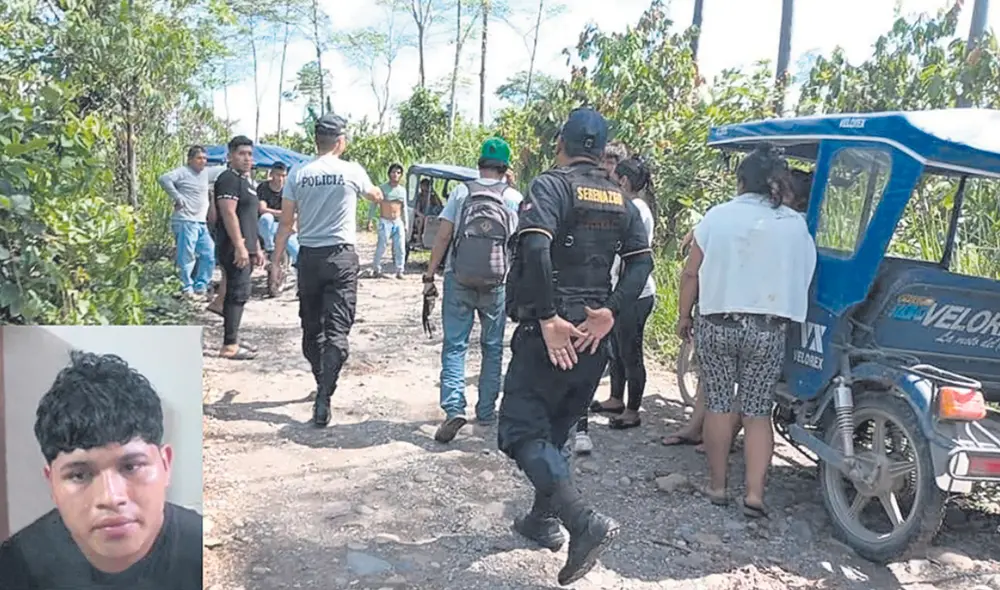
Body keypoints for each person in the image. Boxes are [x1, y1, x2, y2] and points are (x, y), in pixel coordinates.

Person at [499, 107, 653, 586]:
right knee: (558, 428)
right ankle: (542, 521)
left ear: (562, 143)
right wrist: (610, 312)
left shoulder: (552, 185)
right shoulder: (620, 199)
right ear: (601, 149)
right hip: (592, 335)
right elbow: (641, 264)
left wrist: (546, 317)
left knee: (521, 430)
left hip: (554, 329)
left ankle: (581, 522)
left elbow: (536, 249)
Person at [677, 144, 816, 517]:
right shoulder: (794, 224)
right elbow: (804, 274)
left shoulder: (717, 217)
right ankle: (754, 495)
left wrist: (683, 316)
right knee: (757, 411)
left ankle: (718, 486)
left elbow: (691, 273)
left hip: (718, 323)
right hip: (767, 329)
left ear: (741, 181)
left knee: (720, 404)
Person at [0, 351, 202, 589]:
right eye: (79, 475)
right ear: (51, 482)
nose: (111, 498)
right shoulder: (15, 567)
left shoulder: (202, 550)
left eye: (131, 467)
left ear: (165, 464)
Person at [662, 166, 813, 452]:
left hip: (738, 311)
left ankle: (718, 446)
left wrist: (685, 314)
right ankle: (704, 432)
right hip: (769, 316)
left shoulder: (788, 223)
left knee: (733, 389)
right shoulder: (788, 223)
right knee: (742, 391)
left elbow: (692, 271)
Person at [271, 113, 384, 427]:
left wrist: (276, 263)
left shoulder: (298, 173)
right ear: (340, 142)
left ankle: (321, 382)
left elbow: (285, 223)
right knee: (337, 330)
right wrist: (375, 192)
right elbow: (375, 194)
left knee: (311, 329)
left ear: (316, 141)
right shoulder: (351, 171)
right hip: (341, 258)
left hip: (309, 258)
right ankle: (325, 393)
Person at [421, 137, 524, 443]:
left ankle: (454, 406)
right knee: (492, 347)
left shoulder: (461, 192)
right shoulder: (514, 197)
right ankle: (487, 409)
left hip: (459, 276)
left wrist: (429, 275)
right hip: (497, 281)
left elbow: (443, 237)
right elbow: (519, 244)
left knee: (455, 344)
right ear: (505, 167)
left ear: (479, 164)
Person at [588, 156, 657, 430]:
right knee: (615, 347)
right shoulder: (635, 206)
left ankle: (632, 409)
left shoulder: (635, 209)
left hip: (635, 293)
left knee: (630, 351)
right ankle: (616, 398)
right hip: (622, 288)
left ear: (624, 181)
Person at [571, 140, 631, 455]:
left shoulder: (625, 205)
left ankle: (579, 426)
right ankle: (571, 423)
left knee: (592, 359)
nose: (606, 168)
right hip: (579, 289)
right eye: (604, 161)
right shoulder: (580, 192)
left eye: (612, 163)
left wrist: (614, 305)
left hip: (606, 296)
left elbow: (638, 258)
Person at [213, 135, 265, 361]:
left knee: (239, 292)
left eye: (250, 154)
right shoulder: (228, 179)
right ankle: (229, 345)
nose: (247, 158)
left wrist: (257, 247)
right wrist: (240, 246)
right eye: (241, 154)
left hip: (247, 246)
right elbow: (228, 213)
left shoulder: (247, 182)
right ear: (230, 156)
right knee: (237, 293)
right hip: (233, 247)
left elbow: (250, 217)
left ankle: (233, 336)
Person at [158, 145, 215, 298]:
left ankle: (201, 284)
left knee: (209, 253)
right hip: (185, 220)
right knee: (187, 255)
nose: (202, 161)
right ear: (190, 160)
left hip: (200, 222)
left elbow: (224, 170)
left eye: (204, 158)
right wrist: (177, 197)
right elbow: (164, 179)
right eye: (199, 158)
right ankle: (186, 287)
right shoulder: (182, 172)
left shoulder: (206, 174)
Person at [257, 162, 299, 268]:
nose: (281, 178)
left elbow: (296, 213)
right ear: (271, 174)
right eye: (278, 175)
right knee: (266, 218)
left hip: (284, 225)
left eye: (283, 175)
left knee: (296, 250)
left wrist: (293, 225)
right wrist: (283, 213)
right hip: (267, 226)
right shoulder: (263, 187)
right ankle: (270, 248)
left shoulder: (290, 189)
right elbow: (262, 209)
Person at [370, 162, 407, 279]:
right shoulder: (382, 188)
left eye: (398, 172)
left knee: (400, 247)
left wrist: (406, 224)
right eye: (393, 172)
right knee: (382, 246)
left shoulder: (402, 191)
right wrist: (370, 220)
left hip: (397, 221)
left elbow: (404, 207)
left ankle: (400, 270)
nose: (395, 174)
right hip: (385, 221)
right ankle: (376, 268)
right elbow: (374, 205)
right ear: (389, 174)